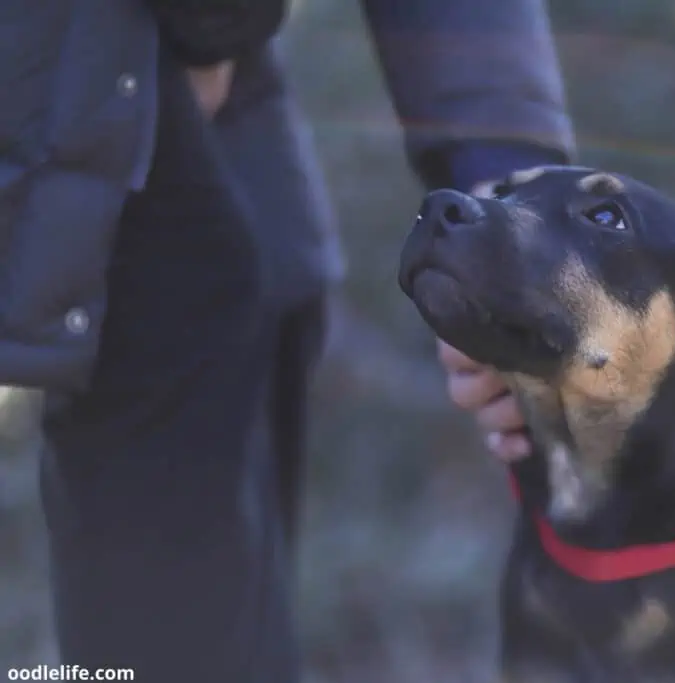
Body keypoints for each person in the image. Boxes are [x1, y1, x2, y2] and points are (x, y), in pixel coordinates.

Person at [1, 1, 572, 680]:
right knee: (196, 295)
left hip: (216, 73)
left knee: (271, 279)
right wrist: (208, 30)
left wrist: (515, 213)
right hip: (100, 49)